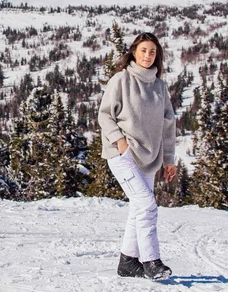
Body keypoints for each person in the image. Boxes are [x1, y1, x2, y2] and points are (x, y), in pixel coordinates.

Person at [98, 32, 176, 280]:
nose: (147, 55)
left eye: (152, 51)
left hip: (149, 157)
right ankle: (151, 261)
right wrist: (120, 142)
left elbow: (168, 125)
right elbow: (105, 115)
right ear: (134, 52)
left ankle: (127, 262)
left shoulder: (160, 87)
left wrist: (169, 159)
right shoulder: (121, 80)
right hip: (122, 154)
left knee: (138, 209)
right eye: (143, 50)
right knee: (146, 205)